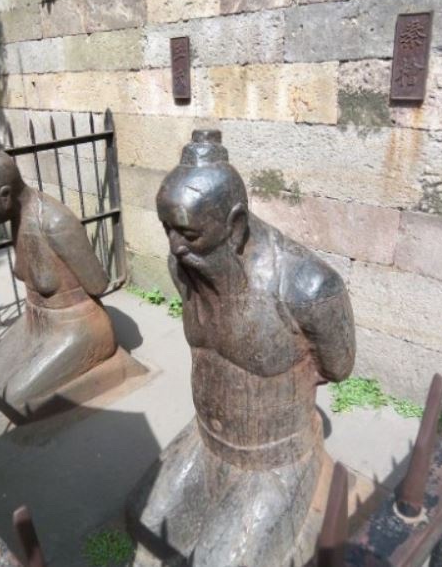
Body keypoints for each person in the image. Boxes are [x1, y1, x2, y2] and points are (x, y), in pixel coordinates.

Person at [126, 130, 356, 566]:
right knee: (146, 520)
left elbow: (338, 366)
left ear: (233, 226)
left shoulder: (307, 287)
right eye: (167, 229)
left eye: (188, 234)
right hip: (206, 435)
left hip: (275, 457)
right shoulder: (186, 264)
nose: (174, 246)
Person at [0, 134, 118, 417]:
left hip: (77, 327)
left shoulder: (55, 221)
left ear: (4, 195)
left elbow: (98, 284)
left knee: (14, 394)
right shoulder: (17, 217)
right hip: (37, 321)